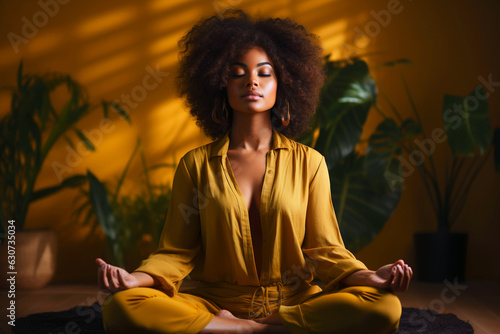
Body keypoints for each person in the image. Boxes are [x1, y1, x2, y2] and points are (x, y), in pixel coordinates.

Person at [96, 10, 412, 334]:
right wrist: (134, 279)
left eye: (265, 73)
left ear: (284, 84)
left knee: (385, 306)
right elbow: (175, 253)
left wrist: (371, 277)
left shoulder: (310, 163)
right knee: (122, 306)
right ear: (219, 84)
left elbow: (327, 251)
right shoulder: (195, 165)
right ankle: (244, 328)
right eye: (237, 74)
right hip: (211, 301)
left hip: (294, 302)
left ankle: (248, 327)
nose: (252, 82)